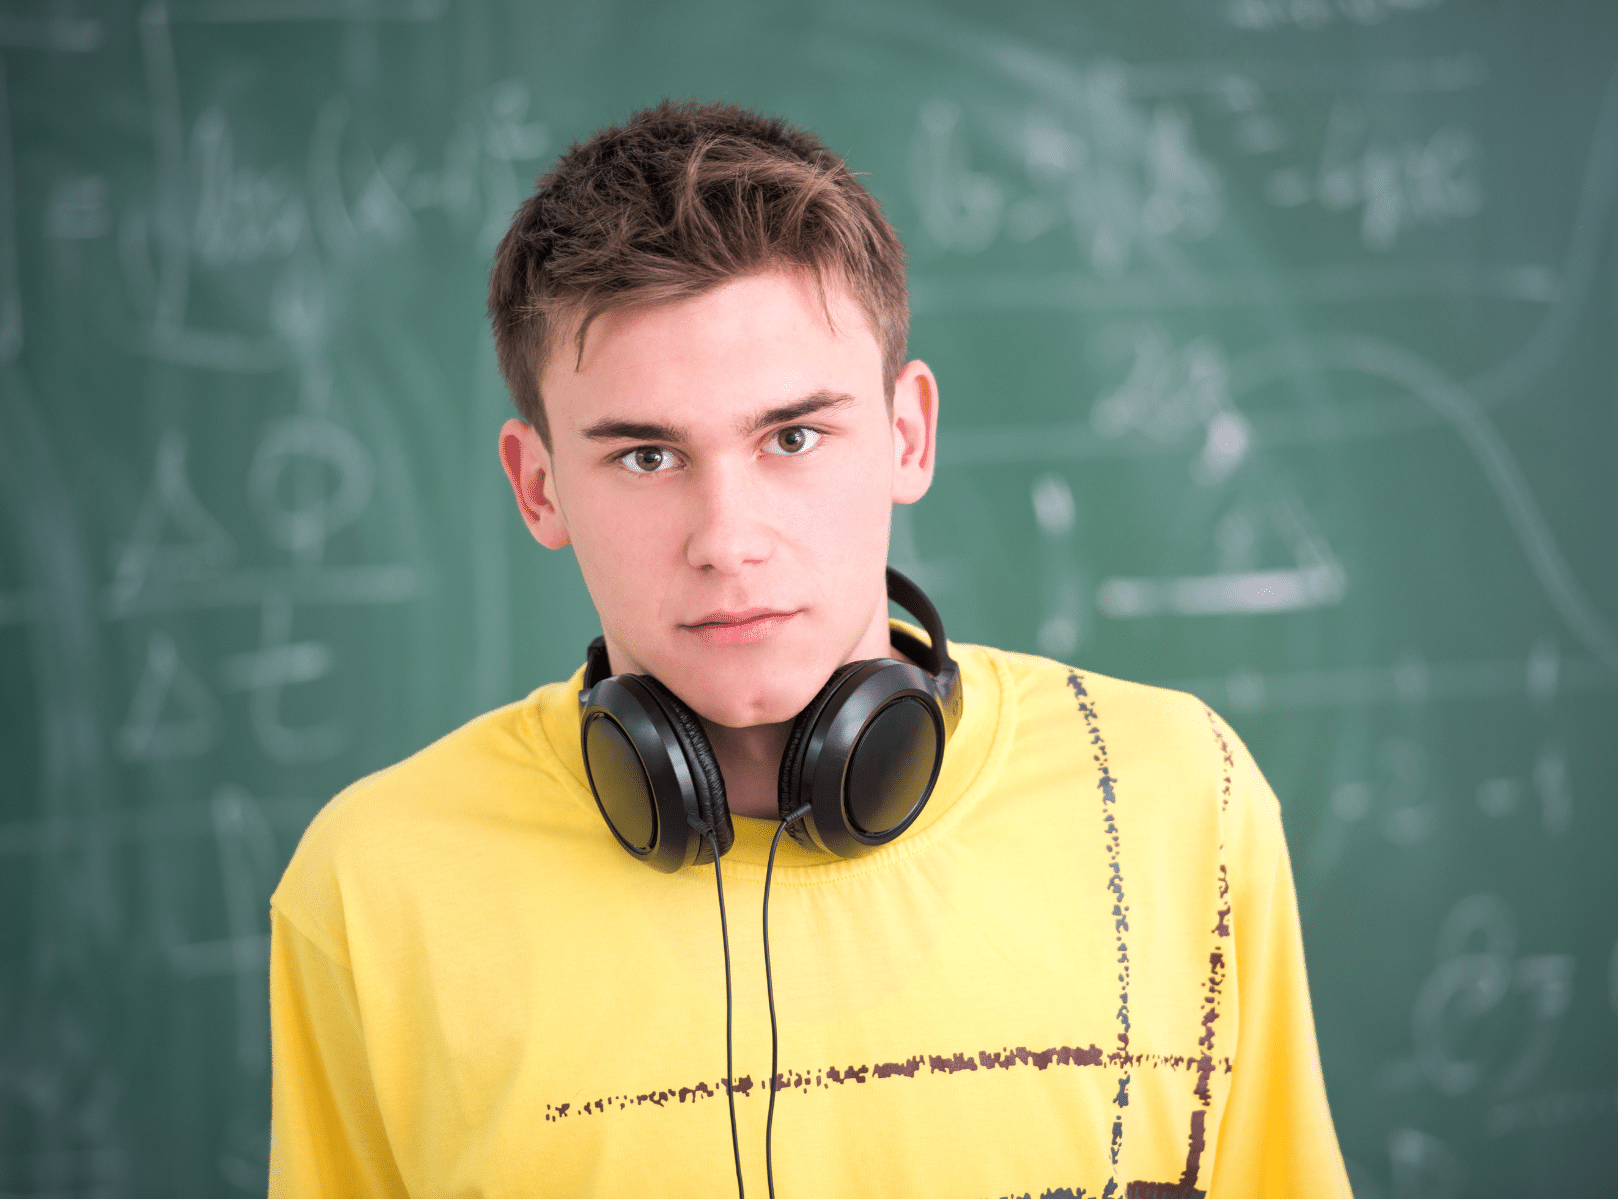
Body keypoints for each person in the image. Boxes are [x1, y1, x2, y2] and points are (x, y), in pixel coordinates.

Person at [268, 99, 1351, 1199]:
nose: (728, 542)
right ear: (538, 486)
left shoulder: (1177, 799)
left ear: (907, 434)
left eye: (793, 437)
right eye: (646, 457)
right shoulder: (376, 886)